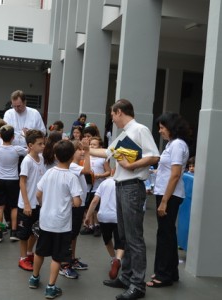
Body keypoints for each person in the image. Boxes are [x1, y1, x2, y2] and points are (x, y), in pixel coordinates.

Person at [88, 99, 159, 300]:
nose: (112, 118)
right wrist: (85, 148)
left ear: (119, 112)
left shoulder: (139, 129)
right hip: (122, 186)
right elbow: (106, 152)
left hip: (131, 187)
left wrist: (131, 166)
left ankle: (137, 284)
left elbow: (154, 156)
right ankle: (127, 278)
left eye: (112, 114)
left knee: (134, 237)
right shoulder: (125, 133)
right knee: (125, 236)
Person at [28, 140, 82, 299]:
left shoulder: (49, 172)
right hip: (61, 224)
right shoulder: (72, 177)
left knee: (40, 251)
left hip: (46, 220)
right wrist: (72, 202)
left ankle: (34, 278)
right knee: (57, 256)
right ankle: (51, 287)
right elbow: (77, 202)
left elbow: (38, 194)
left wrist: (44, 205)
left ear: (56, 156)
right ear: (72, 157)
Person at [146, 112, 190, 288]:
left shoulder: (177, 145)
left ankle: (163, 275)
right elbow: (167, 172)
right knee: (168, 233)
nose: (160, 131)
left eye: (162, 127)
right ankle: (170, 272)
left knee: (164, 235)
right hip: (166, 194)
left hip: (169, 196)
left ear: (171, 128)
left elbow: (175, 174)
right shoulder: (172, 144)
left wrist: (164, 201)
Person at [59, 139, 91, 279]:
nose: (82, 152)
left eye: (83, 149)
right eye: (80, 149)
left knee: (74, 234)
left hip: (79, 205)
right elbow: (88, 170)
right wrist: (89, 151)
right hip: (73, 206)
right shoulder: (72, 166)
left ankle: (71, 259)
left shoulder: (76, 165)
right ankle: (64, 264)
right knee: (69, 235)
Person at [84, 174, 124, 280]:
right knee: (121, 241)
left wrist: (88, 216)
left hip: (103, 216)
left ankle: (112, 258)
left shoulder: (103, 183)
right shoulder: (122, 183)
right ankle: (118, 259)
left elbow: (95, 201)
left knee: (107, 240)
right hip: (118, 217)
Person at [17, 129, 46, 271]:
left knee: (36, 230)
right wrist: (27, 204)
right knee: (24, 234)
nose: (43, 146)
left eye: (43, 143)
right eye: (40, 144)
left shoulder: (42, 160)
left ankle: (29, 253)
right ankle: (22, 258)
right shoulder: (27, 161)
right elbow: (22, 182)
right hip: (26, 204)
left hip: (38, 204)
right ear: (30, 145)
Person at [0, 125, 27, 242]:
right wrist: (25, 136)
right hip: (13, 179)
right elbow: (28, 151)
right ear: (13, 137)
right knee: (13, 207)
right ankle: (14, 232)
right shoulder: (17, 149)